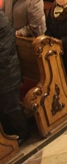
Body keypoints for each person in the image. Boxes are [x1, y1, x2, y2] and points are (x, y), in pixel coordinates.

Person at [0, 11, 30, 143]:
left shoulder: (2, 23)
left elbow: (4, 52)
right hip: (4, 73)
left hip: (8, 73)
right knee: (3, 108)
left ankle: (23, 133)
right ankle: (8, 134)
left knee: (11, 107)